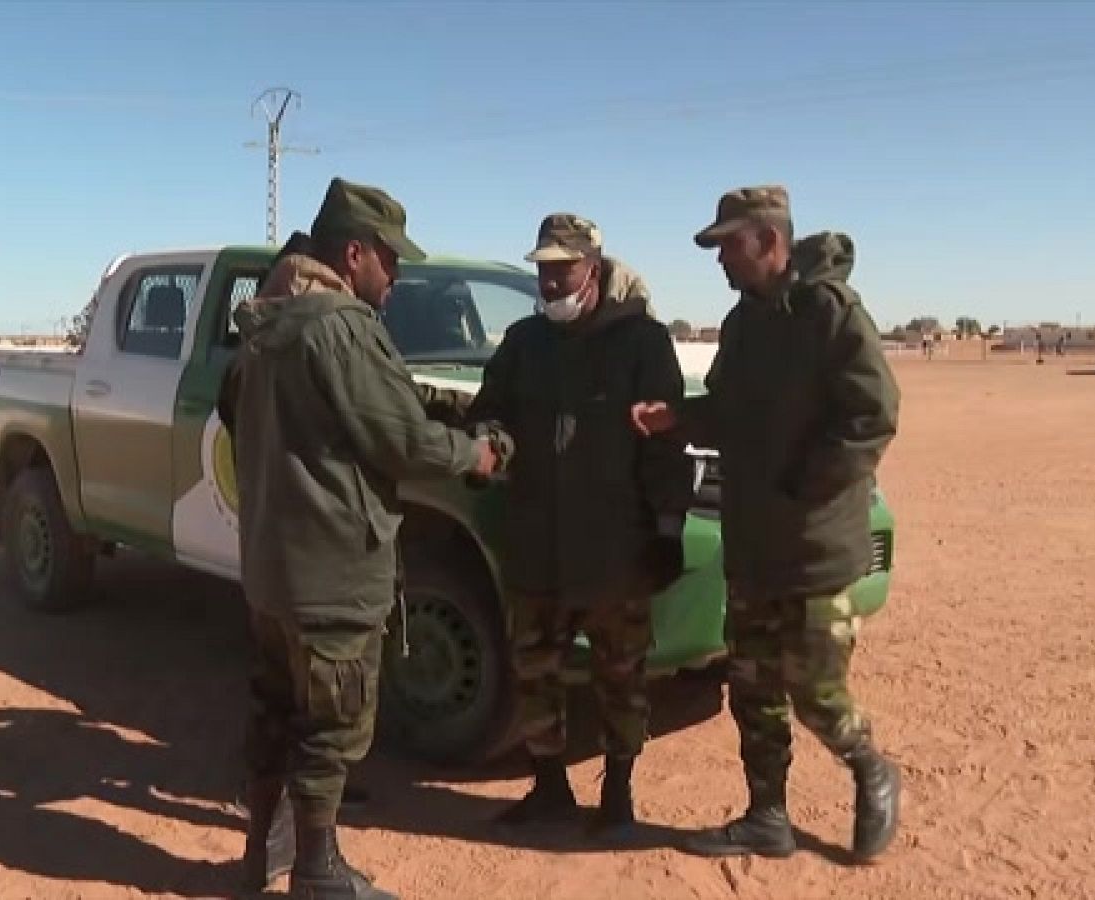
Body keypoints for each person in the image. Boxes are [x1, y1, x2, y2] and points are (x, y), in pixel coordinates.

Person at [225, 176, 498, 899]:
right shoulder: (341, 327)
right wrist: (480, 454)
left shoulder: (266, 324)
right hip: (333, 572)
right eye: (389, 258)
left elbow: (273, 412)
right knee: (331, 726)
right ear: (353, 254)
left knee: (275, 713)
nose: (397, 274)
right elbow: (403, 442)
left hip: (272, 568)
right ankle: (318, 872)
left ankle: (262, 855)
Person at [631, 185, 903, 863]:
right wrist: (678, 420)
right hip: (753, 547)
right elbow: (726, 407)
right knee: (752, 687)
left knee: (815, 690)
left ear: (768, 240)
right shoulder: (744, 322)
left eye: (727, 244)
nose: (719, 259)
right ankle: (766, 815)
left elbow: (873, 415)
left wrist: (805, 488)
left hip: (813, 548)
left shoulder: (831, 313)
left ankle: (872, 768)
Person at [466, 213, 693, 841]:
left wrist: (667, 528)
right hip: (536, 543)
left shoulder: (641, 342)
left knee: (621, 673)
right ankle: (549, 787)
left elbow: (664, 446)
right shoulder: (522, 343)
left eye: (562, 270)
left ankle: (618, 794)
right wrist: (488, 441)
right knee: (534, 667)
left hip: (614, 547)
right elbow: (492, 414)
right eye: (542, 270)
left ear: (593, 268)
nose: (550, 283)